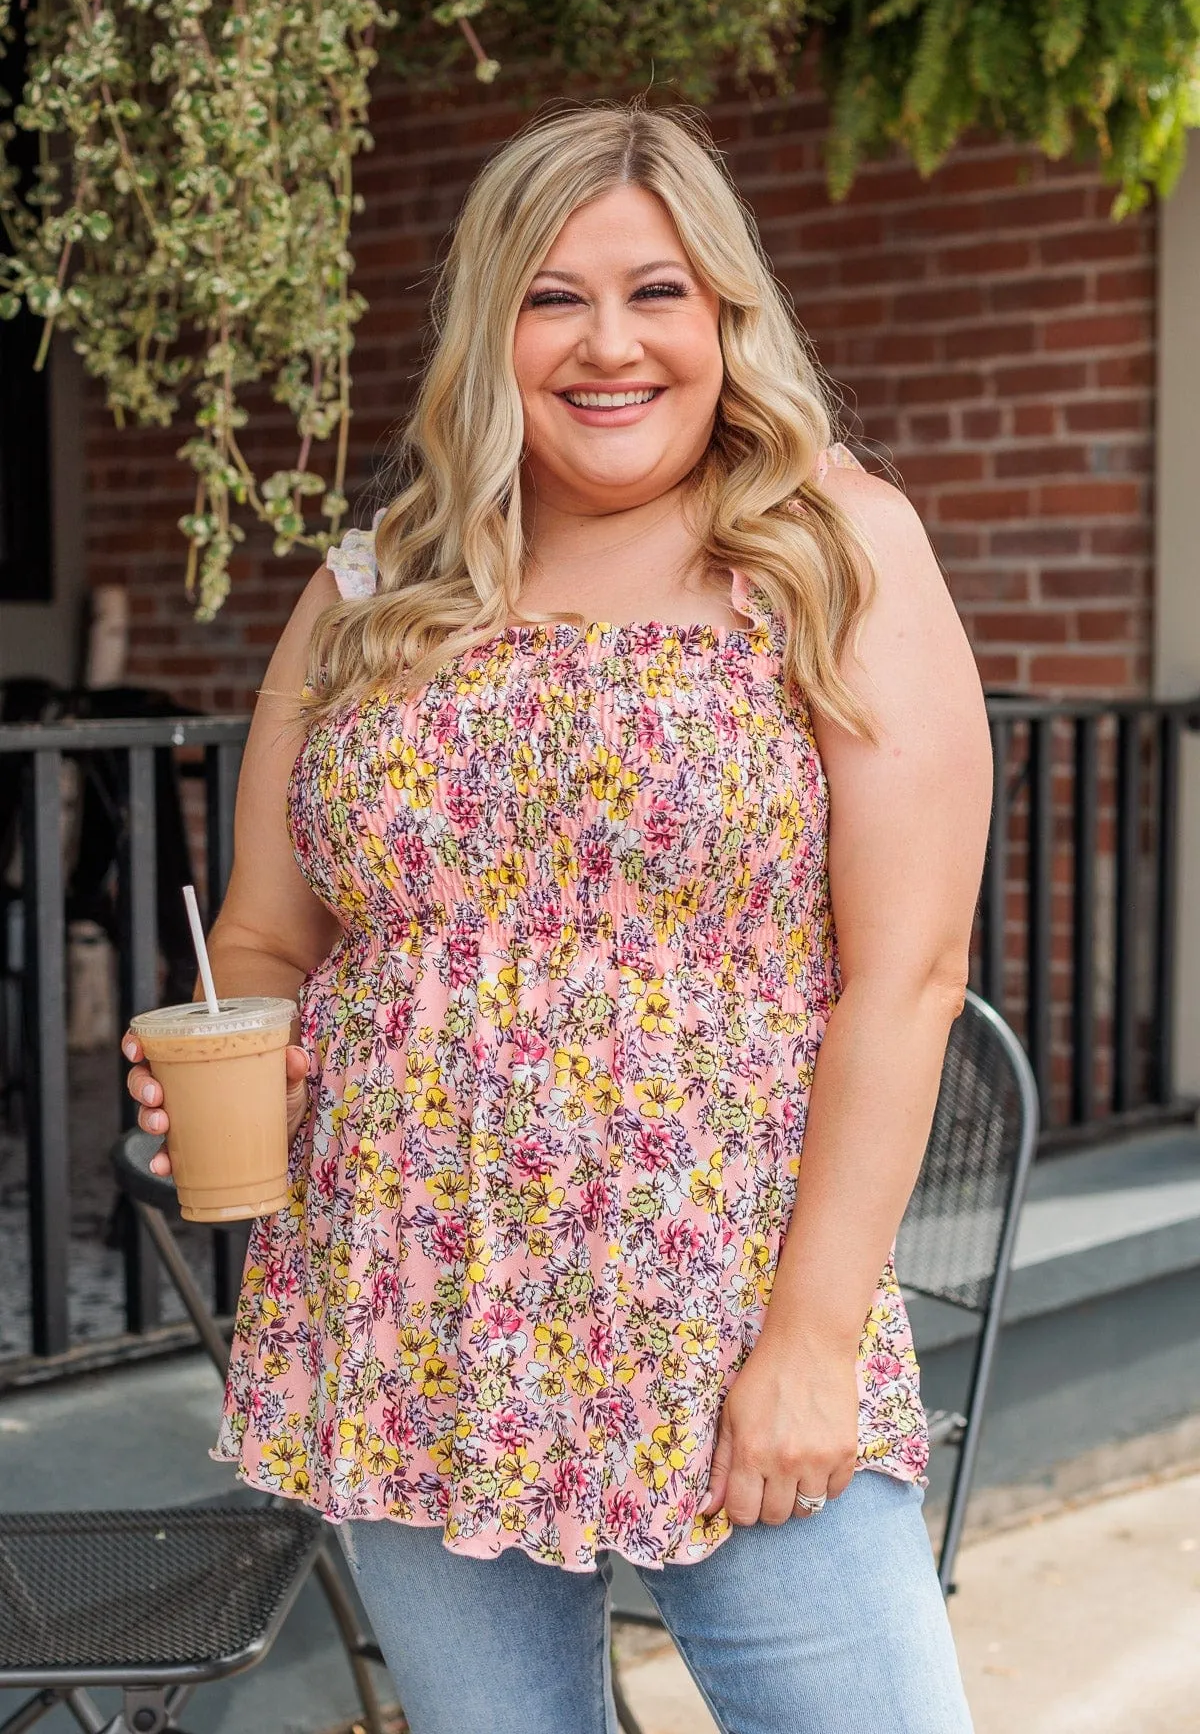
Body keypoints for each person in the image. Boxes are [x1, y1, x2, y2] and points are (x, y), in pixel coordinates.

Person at [122, 104, 991, 1734]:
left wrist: (809, 1341)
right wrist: (246, 1063)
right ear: (487, 328)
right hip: (413, 1299)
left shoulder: (835, 556)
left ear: (724, 316)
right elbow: (262, 937)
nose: (609, 345)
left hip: (731, 1301)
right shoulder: (375, 584)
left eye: (656, 292)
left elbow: (909, 974)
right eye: (551, 296)